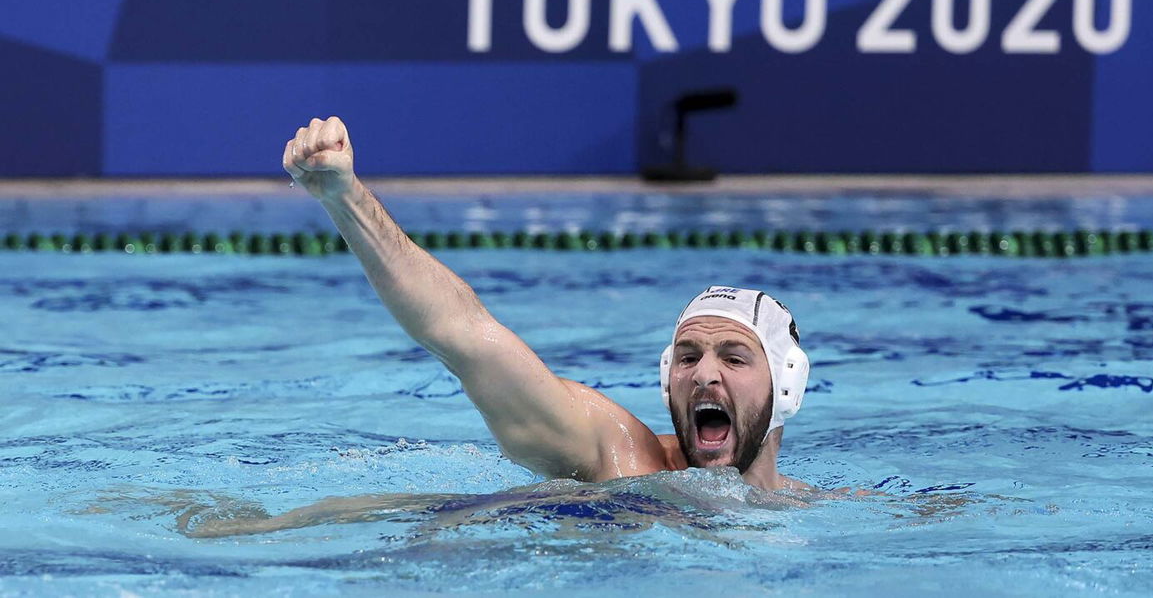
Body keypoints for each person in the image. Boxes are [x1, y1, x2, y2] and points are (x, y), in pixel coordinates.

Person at [281, 117, 814, 494]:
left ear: (786, 385)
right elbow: (463, 335)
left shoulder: (826, 511)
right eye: (687, 355)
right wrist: (345, 199)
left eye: (735, 357)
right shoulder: (621, 456)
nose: (703, 375)